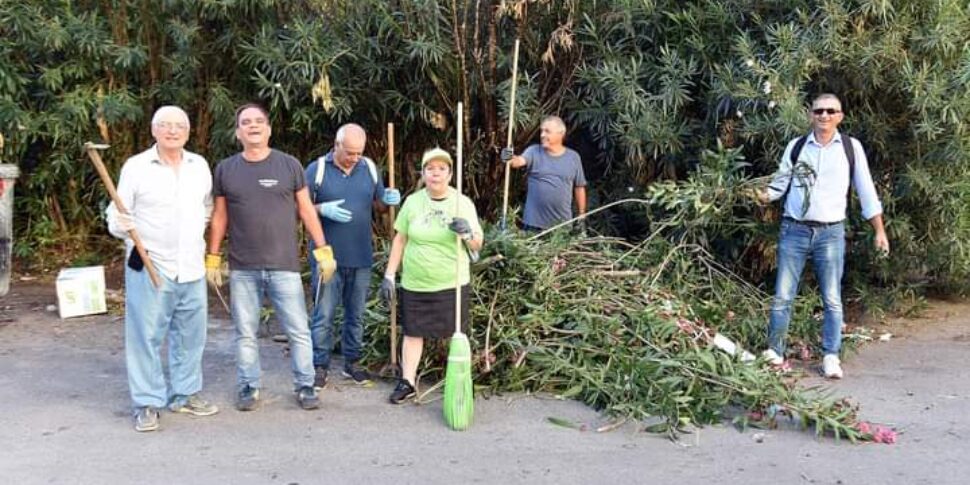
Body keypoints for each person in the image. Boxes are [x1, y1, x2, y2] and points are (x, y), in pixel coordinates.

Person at [206, 103, 337, 411]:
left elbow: (306, 209)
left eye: (259, 121)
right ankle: (248, 386)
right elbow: (220, 216)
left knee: (298, 330)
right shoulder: (226, 169)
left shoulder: (288, 165)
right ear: (238, 132)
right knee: (245, 332)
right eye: (246, 122)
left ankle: (306, 386)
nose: (253, 126)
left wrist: (323, 249)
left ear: (269, 129)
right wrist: (213, 256)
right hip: (243, 267)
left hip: (285, 265)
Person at [756, 93, 890, 379]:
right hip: (794, 229)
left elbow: (866, 191)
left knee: (831, 297)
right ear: (811, 115)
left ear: (840, 116)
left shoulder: (851, 149)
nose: (825, 116)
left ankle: (831, 355)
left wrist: (879, 230)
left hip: (831, 233)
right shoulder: (797, 146)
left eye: (831, 111)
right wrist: (760, 195)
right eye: (819, 111)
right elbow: (779, 185)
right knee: (782, 295)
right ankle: (775, 352)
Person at [105, 105, 218, 432]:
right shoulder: (137, 167)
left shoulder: (199, 165)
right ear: (154, 131)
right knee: (145, 335)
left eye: (179, 125)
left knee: (191, 335)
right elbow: (116, 213)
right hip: (151, 264)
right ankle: (147, 402)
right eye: (165, 125)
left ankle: (185, 394)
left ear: (188, 131)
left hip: (191, 266)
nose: (172, 131)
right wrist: (120, 224)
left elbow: (207, 207)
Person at [379, 148, 484, 404]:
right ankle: (407, 382)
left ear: (450, 174)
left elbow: (478, 244)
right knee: (413, 332)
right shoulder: (413, 202)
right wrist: (390, 275)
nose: (435, 174)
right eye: (430, 169)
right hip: (416, 283)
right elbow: (400, 239)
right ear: (423, 173)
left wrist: (468, 233)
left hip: (451, 283)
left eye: (441, 169)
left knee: (455, 335)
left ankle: (458, 382)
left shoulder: (462, 203)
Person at [305, 123, 400, 386]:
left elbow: (379, 207)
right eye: (349, 152)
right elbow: (297, 207)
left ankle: (352, 362)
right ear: (336, 145)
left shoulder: (368, 168)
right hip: (327, 258)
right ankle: (319, 365)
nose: (354, 157)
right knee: (324, 314)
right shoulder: (317, 170)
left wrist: (389, 200)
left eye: (359, 152)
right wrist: (322, 208)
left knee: (355, 314)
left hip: (361, 255)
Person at [501, 116, 588, 232]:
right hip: (533, 225)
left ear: (561, 133)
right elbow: (517, 162)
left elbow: (579, 187)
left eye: (547, 131)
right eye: (542, 131)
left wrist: (582, 215)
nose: (542, 135)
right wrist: (508, 157)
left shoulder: (573, 158)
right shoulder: (534, 152)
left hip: (561, 226)